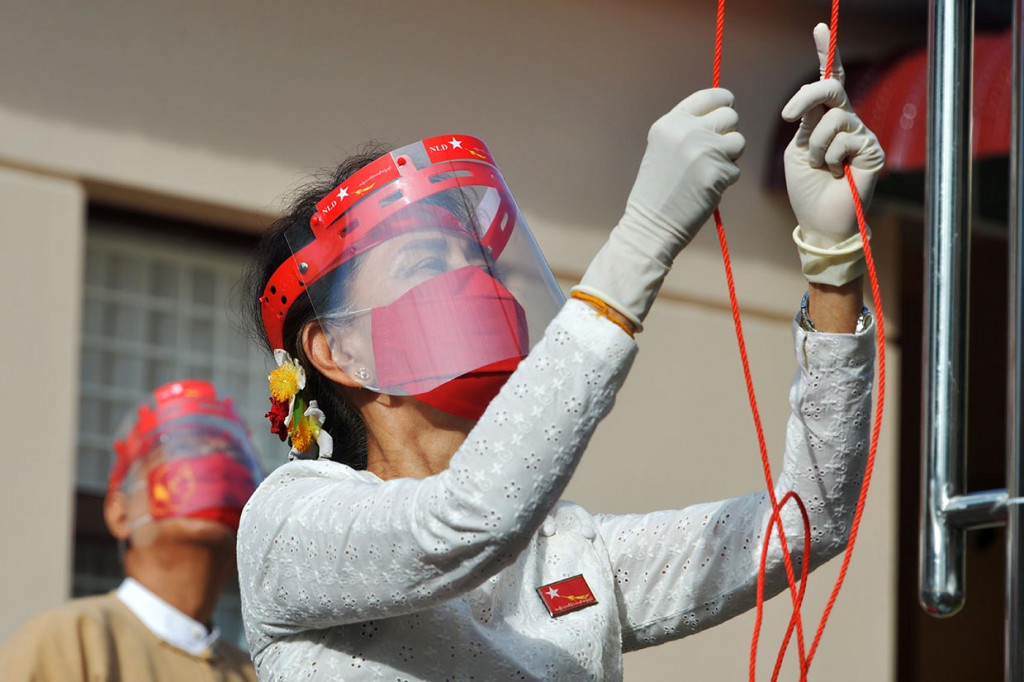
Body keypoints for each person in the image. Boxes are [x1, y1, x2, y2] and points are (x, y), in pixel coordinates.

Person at [237, 23, 883, 681]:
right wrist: (644, 238)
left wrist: (832, 265)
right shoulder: (290, 523)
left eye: (479, 257)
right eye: (429, 257)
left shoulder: (569, 551)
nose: (476, 279)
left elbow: (808, 521)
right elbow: (467, 523)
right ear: (336, 348)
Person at [0, 380, 264, 682]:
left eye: (230, 454)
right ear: (119, 513)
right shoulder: (68, 642)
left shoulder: (256, 673)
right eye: (184, 447)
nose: (214, 468)